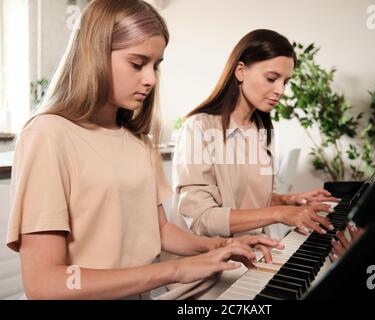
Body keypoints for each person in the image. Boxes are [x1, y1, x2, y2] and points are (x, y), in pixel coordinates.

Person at [5, 0, 283, 300]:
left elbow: (160, 231)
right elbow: (44, 284)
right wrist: (177, 270)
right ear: (94, 54)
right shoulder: (47, 135)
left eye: (156, 66)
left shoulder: (139, 141)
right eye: (137, 64)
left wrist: (216, 247)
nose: (150, 79)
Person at [170, 29, 340, 251]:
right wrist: (280, 213)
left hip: (253, 251)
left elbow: (248, 200)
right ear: (240, 71)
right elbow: (202, 218)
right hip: (210, 261)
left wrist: (289, 201)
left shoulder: (262, 130)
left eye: (285, 82)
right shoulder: (199, 127)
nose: (280, 91)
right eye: (271, 78)